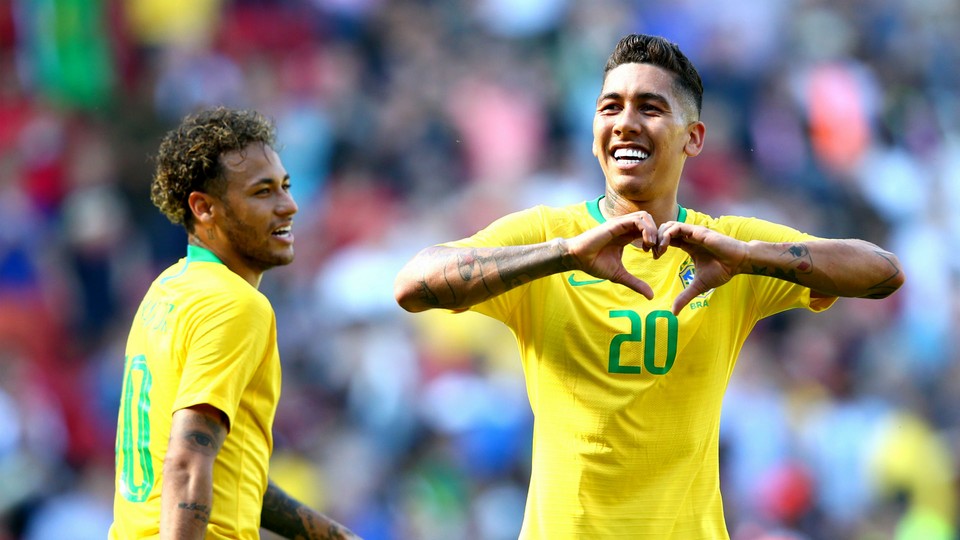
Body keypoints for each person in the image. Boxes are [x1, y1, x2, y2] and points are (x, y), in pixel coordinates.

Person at [393, 34, 905, 538]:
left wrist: (752, 258)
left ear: (694, 138)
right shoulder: (550, 236)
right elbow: (414, 284)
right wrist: (563, 256)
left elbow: (882, 272)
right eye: (610, 107)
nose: (625, 124)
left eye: (650, 108)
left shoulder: (726, 246)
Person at [109, 107, 360, 540]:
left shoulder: (167, 289)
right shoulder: (236, 305)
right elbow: (188, 460)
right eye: (263, 192)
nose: (289, 206)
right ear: (204, 208)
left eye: (285, 186)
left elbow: (230, 471)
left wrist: (334, 535)